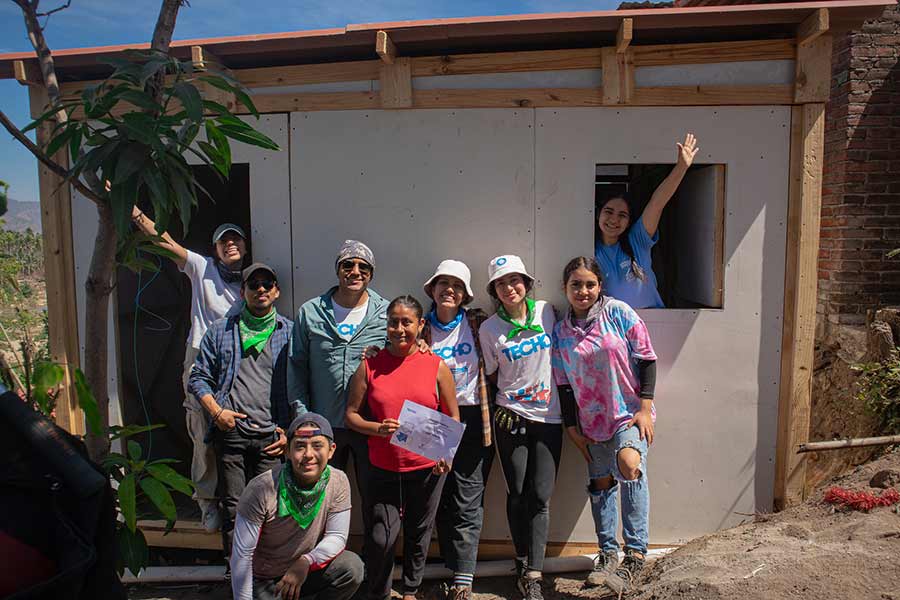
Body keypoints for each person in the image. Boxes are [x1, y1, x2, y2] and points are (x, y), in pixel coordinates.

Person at [131, 205, 248, 531]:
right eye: (223, 241)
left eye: (235, 239)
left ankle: (241, 504)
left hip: (237, 359)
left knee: (240, 431)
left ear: (245, 245)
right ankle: (207, 503)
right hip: (201, 357)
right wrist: (133, 211)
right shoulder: (202, 267)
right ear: (215, 248)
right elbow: (164, 241)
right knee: (202, 433)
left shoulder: (253, 281)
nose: (230, 244)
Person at [551, 256, 658, 596]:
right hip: (590, 421)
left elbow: (647, 358)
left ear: (600, 286)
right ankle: (608, 554)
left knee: (629, 466)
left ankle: (636, 554)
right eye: (576, 285)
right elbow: (564, 383)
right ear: (565, 288)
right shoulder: (561, 331)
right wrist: (571, 427)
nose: (583, 291)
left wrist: (645, 406)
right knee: (601, 483)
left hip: (627, 412)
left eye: (589, 284)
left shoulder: (618, 312)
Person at [345, 295, 459, 600]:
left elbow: (452, 414)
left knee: (419, 531)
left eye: (406, 322)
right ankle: (379, 591)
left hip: (426, 468)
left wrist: (445, 454)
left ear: (420, 325)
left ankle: (410, 590)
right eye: (393, 321)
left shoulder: (436, 365)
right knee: (382, 536)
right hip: (382, 466)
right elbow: (351, 415)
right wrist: (377, 429)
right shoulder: (370, 366)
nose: (399, 328)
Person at [188, 262, 292, 557]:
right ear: (242, 292)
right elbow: (198, 378)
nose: (260, 289)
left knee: (269, 510)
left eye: (267, 284)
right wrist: (217, 412)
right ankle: (237, 578)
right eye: (253, 284)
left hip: (271, 436)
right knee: (234, 510)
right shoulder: (221, 331)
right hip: (231, 432)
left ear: (276, 291)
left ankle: (264, 580)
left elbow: (300, 385)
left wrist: (290, 431)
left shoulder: (290, 331)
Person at [477, 255, 561, 600]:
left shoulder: (547, 312)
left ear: (527, 283)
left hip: (550, 416)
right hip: (511, 416)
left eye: (515, 280)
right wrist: (507, 402)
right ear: (494, 291)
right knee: (517, 493)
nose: (509, 288)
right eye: (501, 283)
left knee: (540, 496)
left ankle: (535, 574)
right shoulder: (489, 329)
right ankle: (522, 564)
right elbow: (494, 376)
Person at [288, 240, 387, 496]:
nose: (355, 271)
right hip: (323, 426)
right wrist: (303, 416)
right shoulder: (310, 312)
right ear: (338, 269)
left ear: (371, 273)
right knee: (320, 498)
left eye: (363, 266)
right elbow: (297, 366)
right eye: (348, 265)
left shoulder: (386, 313)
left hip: (369, 425)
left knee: (375, 500)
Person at [230, 412, 364, 600]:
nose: (308, 455)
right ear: (287, 451)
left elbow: (337, 536)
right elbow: (242, 555)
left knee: (351, 567)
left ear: (331, 450)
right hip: (265, 580)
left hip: (304, 572)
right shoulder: (261, 488)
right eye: (300, 446)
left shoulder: (338, 481)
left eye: (318, 446)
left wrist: (306, 561)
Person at [421, 260, 493, 600]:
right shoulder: (419, 328)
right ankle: (448, 564)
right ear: (431, 290)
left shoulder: (478, 323)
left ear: (465, 294)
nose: (449, 289)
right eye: (442, 283)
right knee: (435, 494)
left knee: (468, 496)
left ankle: (463, 579)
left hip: (472, 415)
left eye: (457, 285)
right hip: (431, 418)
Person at [594, 133, 699, 308]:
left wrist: (681, 168)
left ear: (629, 222)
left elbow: (657, 203)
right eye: (609, 211)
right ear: (598, 214)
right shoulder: (591, 249)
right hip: (614, 330)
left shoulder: (637, 240)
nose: (614, 219)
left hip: (654, 323)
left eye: (622, 215)